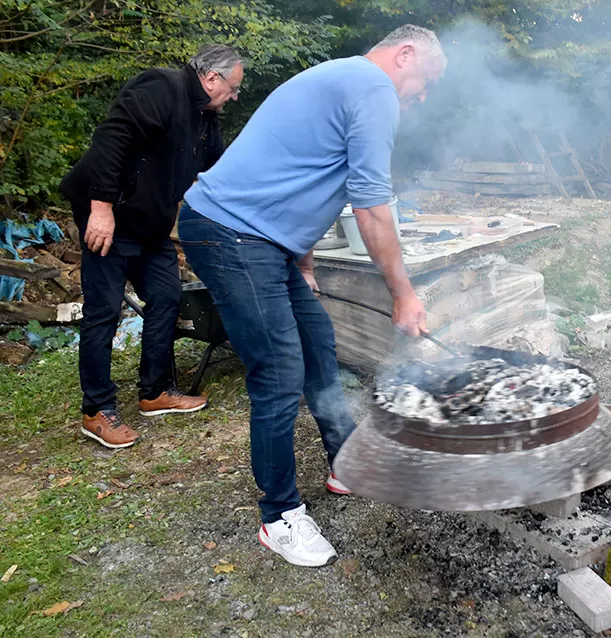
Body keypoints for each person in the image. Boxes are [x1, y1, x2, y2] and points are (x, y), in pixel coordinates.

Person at [178, 25, 446, 568]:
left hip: (260, 238)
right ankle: (279, 518)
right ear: (406, 54)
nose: (419, 98)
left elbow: (299, 169)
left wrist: (302, 258)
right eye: (423, 84)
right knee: (277, 372)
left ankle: (347, 462)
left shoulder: (341, 77)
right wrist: (403, 295)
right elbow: (370, 207)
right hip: (232, 232)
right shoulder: (371, 87)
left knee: (318, 342)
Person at [59, 44, 243, 449]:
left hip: (150, 224)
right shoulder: (161, 87)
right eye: (233, 88)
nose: (233, 97)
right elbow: (111, 141)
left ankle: (156, 390)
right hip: (111, 215)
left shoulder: (205, 119)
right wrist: (101, 209)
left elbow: (221, 172)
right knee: (103, 312)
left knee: (166, 296)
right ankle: (97, 410)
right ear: (212, 78)